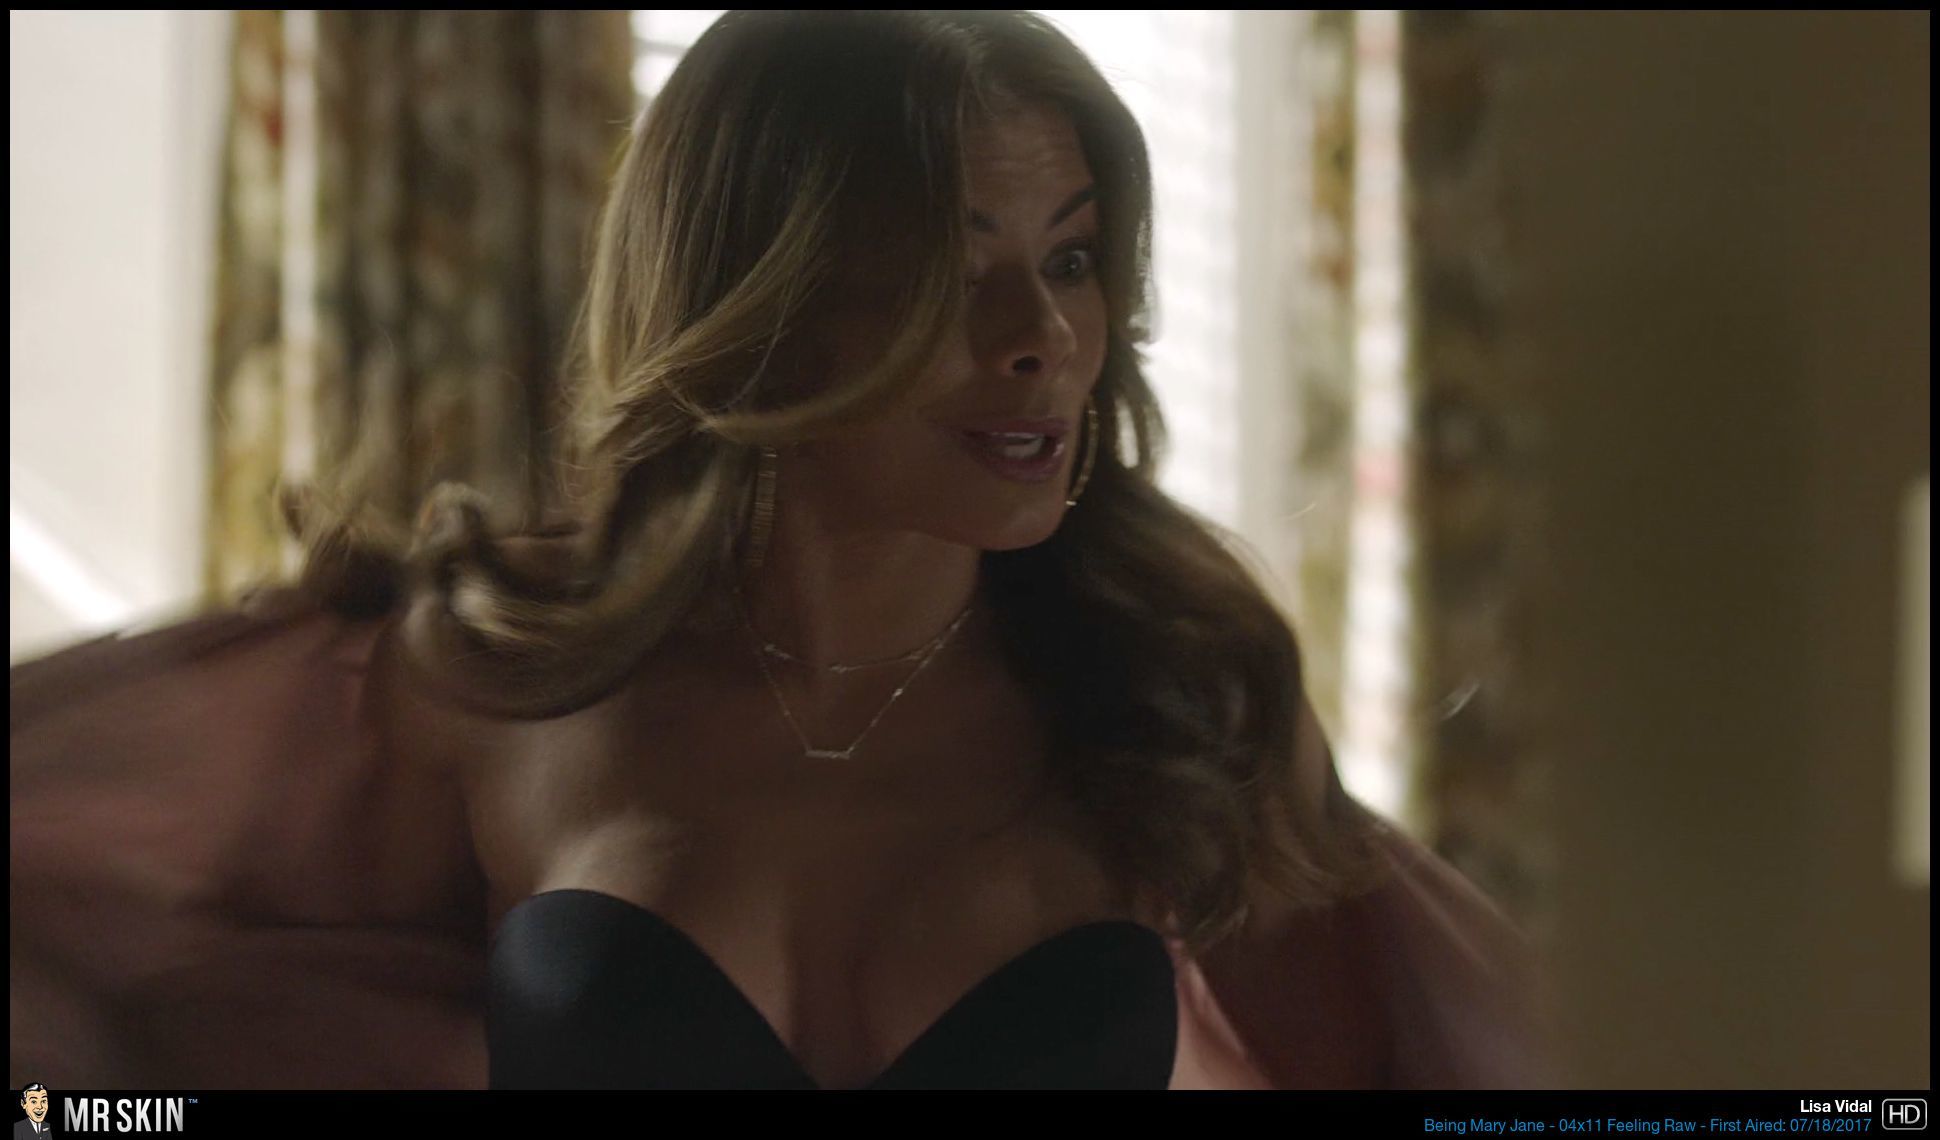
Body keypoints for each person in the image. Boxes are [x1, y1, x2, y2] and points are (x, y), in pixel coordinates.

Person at [8, 10, 1548, 1089]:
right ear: (760, 297)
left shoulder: (1177, 701)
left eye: (1073, 258)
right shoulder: (491, 680)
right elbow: (106, 1005)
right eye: (951, 269)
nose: (1045, 340)